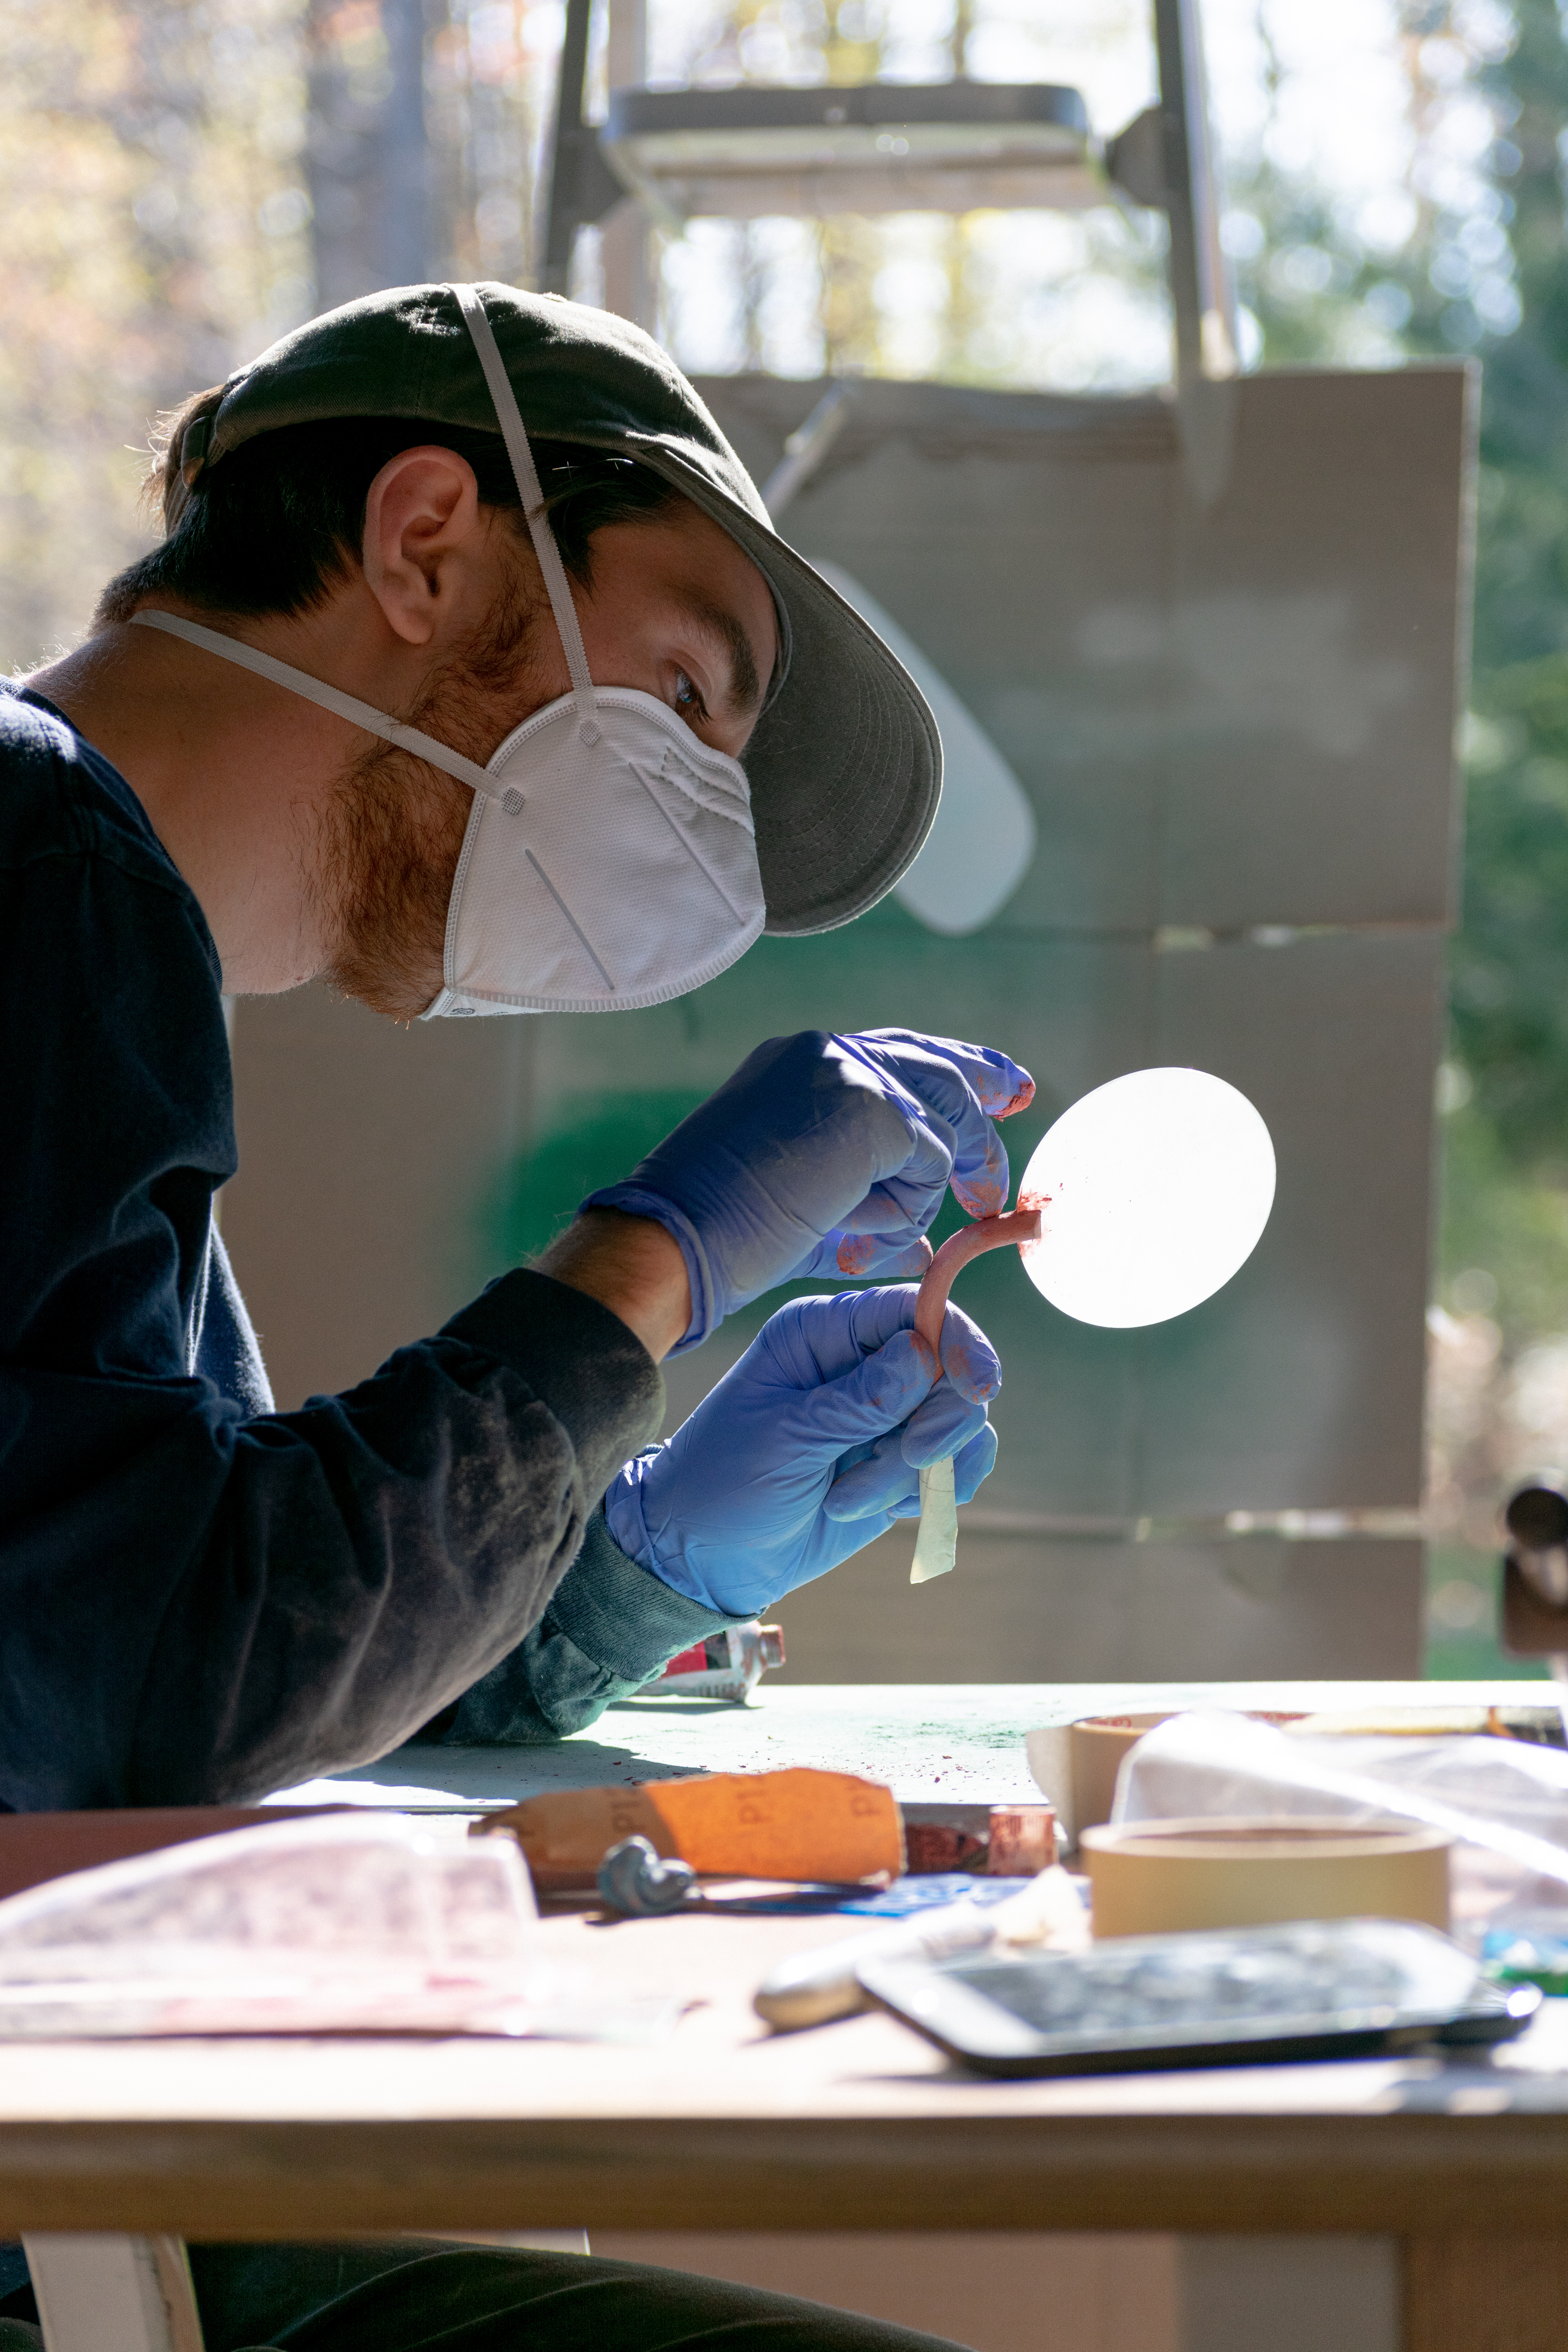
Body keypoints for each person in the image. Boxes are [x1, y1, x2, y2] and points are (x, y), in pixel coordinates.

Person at [0, 281, 1034, 2350]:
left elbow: (157, 1659)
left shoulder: (91, 927)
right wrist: (645, 1267)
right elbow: (168, 1692)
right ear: (425, 539)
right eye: (687, 683)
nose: (696, 815)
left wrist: (619, 1571)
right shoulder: (35, 859)